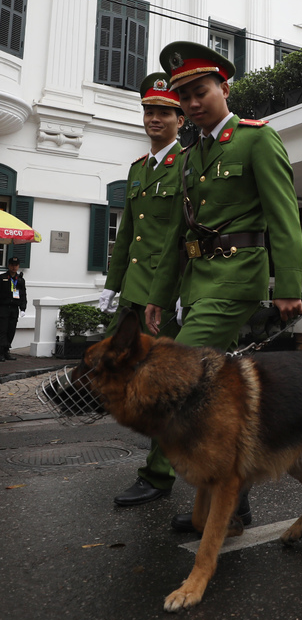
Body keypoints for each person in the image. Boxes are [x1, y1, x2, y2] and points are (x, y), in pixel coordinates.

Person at [145, 41, 302, 534]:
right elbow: (178, 233)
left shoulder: (256, 139)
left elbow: (285, 217)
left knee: (176, 374)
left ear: (224, 88)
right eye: (185, 97)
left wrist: (288, 286)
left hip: (237, 279)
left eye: (201, 91)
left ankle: (198, 488)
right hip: (197, 284)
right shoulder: (191, 155)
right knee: (220, 395)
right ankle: (235, 503)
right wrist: (157, 293)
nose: (193, 103)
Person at [100, 72, 185, 507]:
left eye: (163, 112)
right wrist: (112, 287)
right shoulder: (137, 170)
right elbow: (128, 233)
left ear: (180, 118)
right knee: (121, 373)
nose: (154, 118)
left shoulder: (189, 163)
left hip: (166, 296)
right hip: (134, 291)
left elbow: (190, 234)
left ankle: (158, 473)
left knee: (158, 385)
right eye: (149, 111)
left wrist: (184, 290)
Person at [0, 256, 27, 361]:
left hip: (14, 308)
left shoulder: (20, 280)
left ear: (18, 266)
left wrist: (23, 308)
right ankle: (0, 352)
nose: (14, 267)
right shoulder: (2, 278)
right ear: (8, 265)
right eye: (12, 265)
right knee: (2, 330)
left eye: (16, 265)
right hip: (3, 307)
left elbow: (23, 294)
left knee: (11, 330)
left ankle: (6, 351)